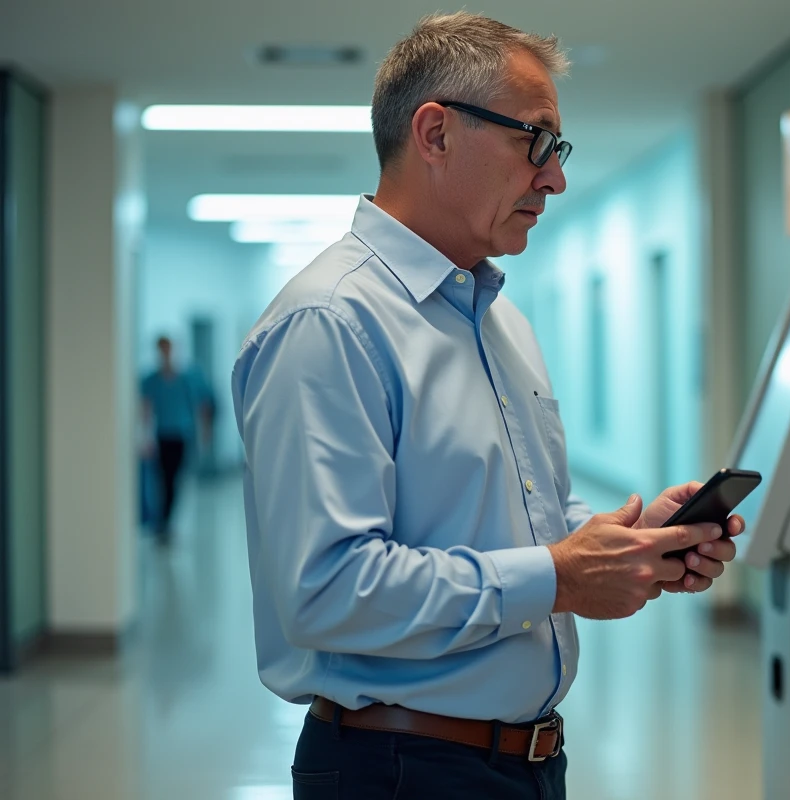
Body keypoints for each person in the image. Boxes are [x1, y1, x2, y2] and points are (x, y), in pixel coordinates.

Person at [231, 13, 744, 799]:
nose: (554, 178)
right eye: (534, 141)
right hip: (398, 770)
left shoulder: (498, 318)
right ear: (434, 133)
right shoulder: (331, 323)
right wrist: (559, 580)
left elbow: (527, 514)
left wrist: (627, 544)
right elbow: (327, 591)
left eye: (558, 149)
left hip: (525, 764)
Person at [140, 336, 210, 541]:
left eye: (167, 349)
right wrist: (144, 436)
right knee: (163, 481)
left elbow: (201, 406)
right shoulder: (151, 380)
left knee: (175, 480)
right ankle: (162, 523)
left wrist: (204, 433)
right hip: (162, 436)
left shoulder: (187, 378)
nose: (165, 353)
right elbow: (145, 409)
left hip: (181, 436)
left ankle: (166, 522)